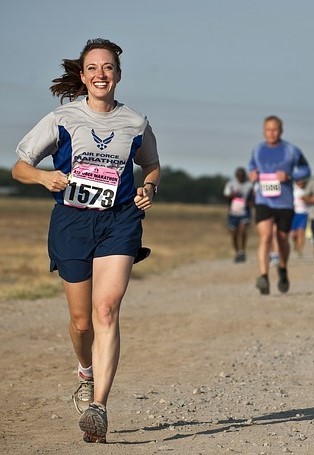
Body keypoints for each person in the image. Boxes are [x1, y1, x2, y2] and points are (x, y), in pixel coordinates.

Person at [11, 38, 160, 443]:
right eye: (93, 67)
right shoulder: (62, 118)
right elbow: (20, 167)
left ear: (118, 74)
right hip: (72, 222)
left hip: (120, 220)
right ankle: (86, 370)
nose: (101, 74)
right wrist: (44, 177)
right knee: (81, 323)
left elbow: (151, 164)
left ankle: (99, 407)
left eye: (108, 67)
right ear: (83, 75)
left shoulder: (135, 122)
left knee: (106, 310)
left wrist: (149, 187)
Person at [248, 115, 311, 295]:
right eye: (268, 129)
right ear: (263, 131)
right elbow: (251, 167)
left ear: (281, 131)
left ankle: (282, 269)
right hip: (263, 200)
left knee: (282, 239)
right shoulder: (258, 150)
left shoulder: (291, 150)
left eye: (275, 129)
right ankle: (263, 276)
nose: (271, 133)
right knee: (266, 236)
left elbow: (306, 170)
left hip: (284, 202)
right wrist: (252, 174)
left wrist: (290, 176)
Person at [223, 167, 254, 262]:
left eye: (242, 176)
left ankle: (243, 251)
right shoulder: (230, 184)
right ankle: (237, 252)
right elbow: (225, 195)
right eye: (239, 176)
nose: (241, 178)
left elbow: (254, 195)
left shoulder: (249, 185)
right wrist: (232, 195)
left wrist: (252, 202)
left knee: (243, 230)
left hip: (245, 212)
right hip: (233, 212)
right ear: (236, 176)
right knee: (234, 234)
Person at [289, 180, 309, 257]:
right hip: (294, 214)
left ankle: (300, 250)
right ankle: (295, 243)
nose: (301, 183)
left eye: (302, 181)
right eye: (299, 181)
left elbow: (310, 200)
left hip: (303, 214)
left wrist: (306, 199)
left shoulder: (307, 190)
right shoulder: (292, 189)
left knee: (301, 233)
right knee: (293, 235)